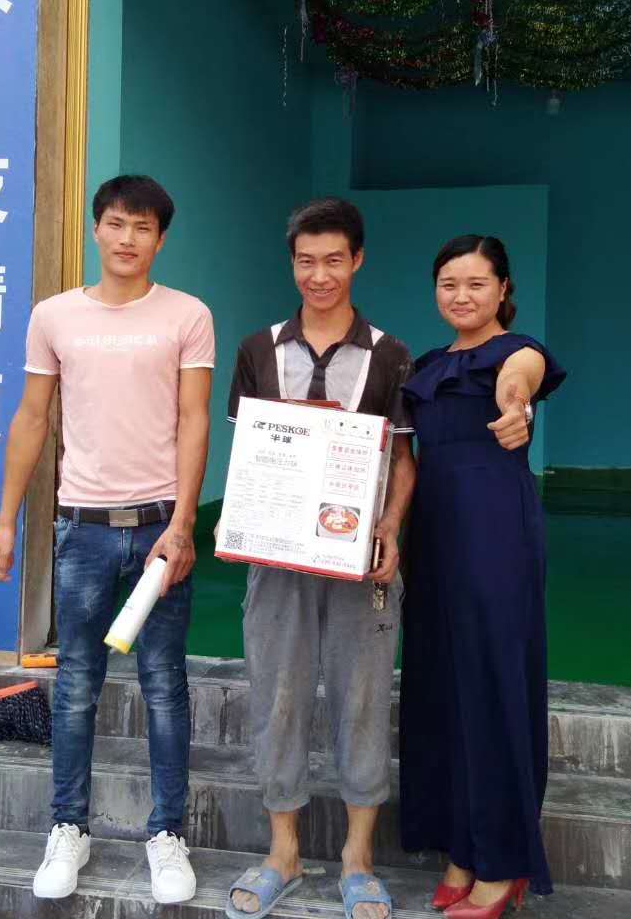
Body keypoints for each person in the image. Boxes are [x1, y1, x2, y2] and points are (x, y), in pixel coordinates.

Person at [0, 175, 214, 903]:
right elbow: (32, 418)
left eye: (143, 227)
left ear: (161, 239)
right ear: (95, 229)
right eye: (116, 223)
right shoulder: (54, 316)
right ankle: (68, 828)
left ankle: (167, 834)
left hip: (158, 530)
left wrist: (183, 524)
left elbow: (195, 420)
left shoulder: (187, 315)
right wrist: (6, 518)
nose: (127, 238)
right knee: (77, 685)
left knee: (164, 686)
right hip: (81, 529)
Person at [223, 198, 417, 919]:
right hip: (277, 560)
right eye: (306, 262)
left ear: (357, 260)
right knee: (277, 696)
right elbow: (251, 453)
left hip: (359, 560)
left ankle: (357, 859)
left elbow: (403, 458)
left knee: (362, 700)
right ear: (292, 264)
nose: (320, 275)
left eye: (334, 260)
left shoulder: (391, 354)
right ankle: (283, 853)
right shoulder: (258, 349)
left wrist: (390, 528)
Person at [398, 235, 566, 919]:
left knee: (493, 685)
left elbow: (520, 377)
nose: (461, 295)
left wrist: (515, 400)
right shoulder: (427, 365)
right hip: (433, 536)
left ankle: (503, 862)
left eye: (476, 283)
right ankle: (461, 850)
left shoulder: (518, 352)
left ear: (503, 289)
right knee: (442, 686)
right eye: (448, 284)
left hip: (496, 533)